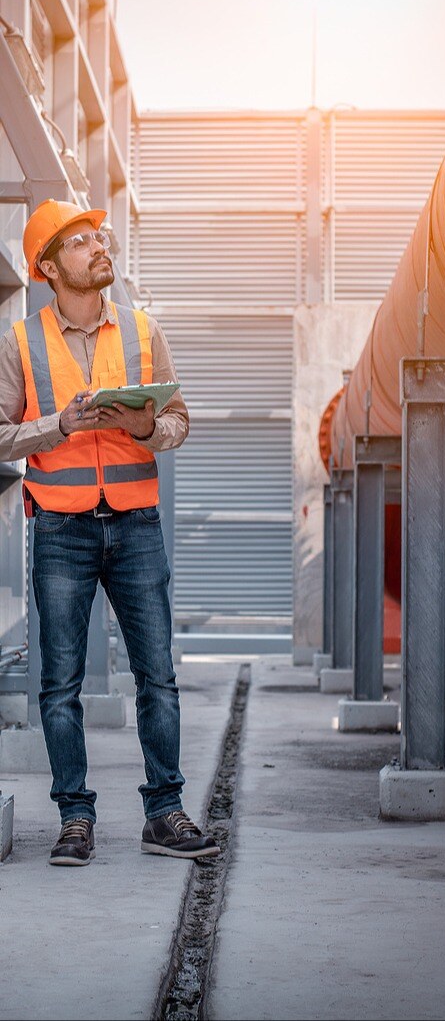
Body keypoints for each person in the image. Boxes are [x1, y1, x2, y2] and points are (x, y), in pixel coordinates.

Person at [0, 199, 219, 866]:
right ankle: (74, 817)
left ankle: (165, 812)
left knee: (158, 676)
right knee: (59, 683)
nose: (100, 247)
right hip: (62, 527)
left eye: (101, 237)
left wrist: (146, 426)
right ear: (47, 266)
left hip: (135, 522)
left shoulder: (144, 331)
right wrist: (58, 427)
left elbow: (180, 420)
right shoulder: (19, 341)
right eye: (80, 241)